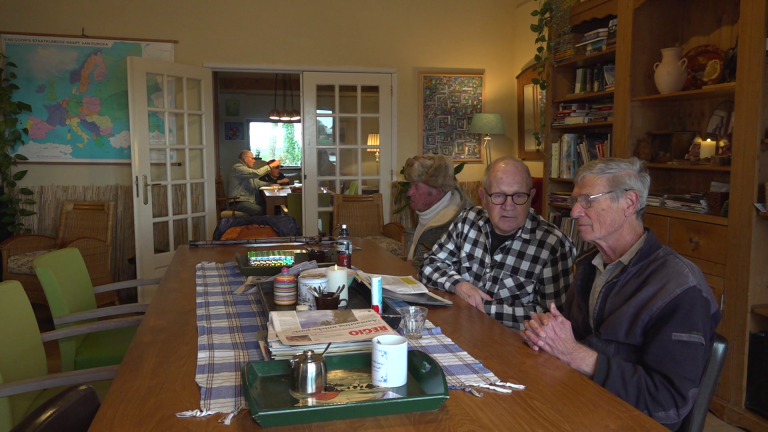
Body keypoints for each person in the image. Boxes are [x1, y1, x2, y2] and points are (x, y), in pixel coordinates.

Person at [520, 157, 721, 431]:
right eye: (575, 200)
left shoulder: (679, 287)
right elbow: (570, 336)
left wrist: (575, 354)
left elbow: (669, 402)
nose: (575, 212)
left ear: (629, 203)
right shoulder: (589, 264)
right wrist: (544, 335)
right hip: (578, 397)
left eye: (588, 200)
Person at [419, 156, 576, 330]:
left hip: (515, 347)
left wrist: (480, 306)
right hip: (460, 327)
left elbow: (552, 318)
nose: (509, 206)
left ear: (531, 197)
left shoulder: (554, 245)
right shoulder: (467, 220)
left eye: (518, 195)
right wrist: (460, 286)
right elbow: (430, 264)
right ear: (483, 198)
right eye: (498, 195)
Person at [403, 154, 473, 269]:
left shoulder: (457, 222)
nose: (409, 192)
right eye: (411, 186)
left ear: (437, 192)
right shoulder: (432, 209)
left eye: (416, 187)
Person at [228, 151, 281, 216]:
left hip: (249, 201)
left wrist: (273, 183)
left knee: (274, 207)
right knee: (265, 210)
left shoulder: (247, 171)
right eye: (252, 158)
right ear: (246, 159)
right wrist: (271, 165)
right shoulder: (237, 168)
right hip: (238, 202)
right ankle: (261, 226)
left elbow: (258, 183)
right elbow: (257, 173)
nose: (254, 161)